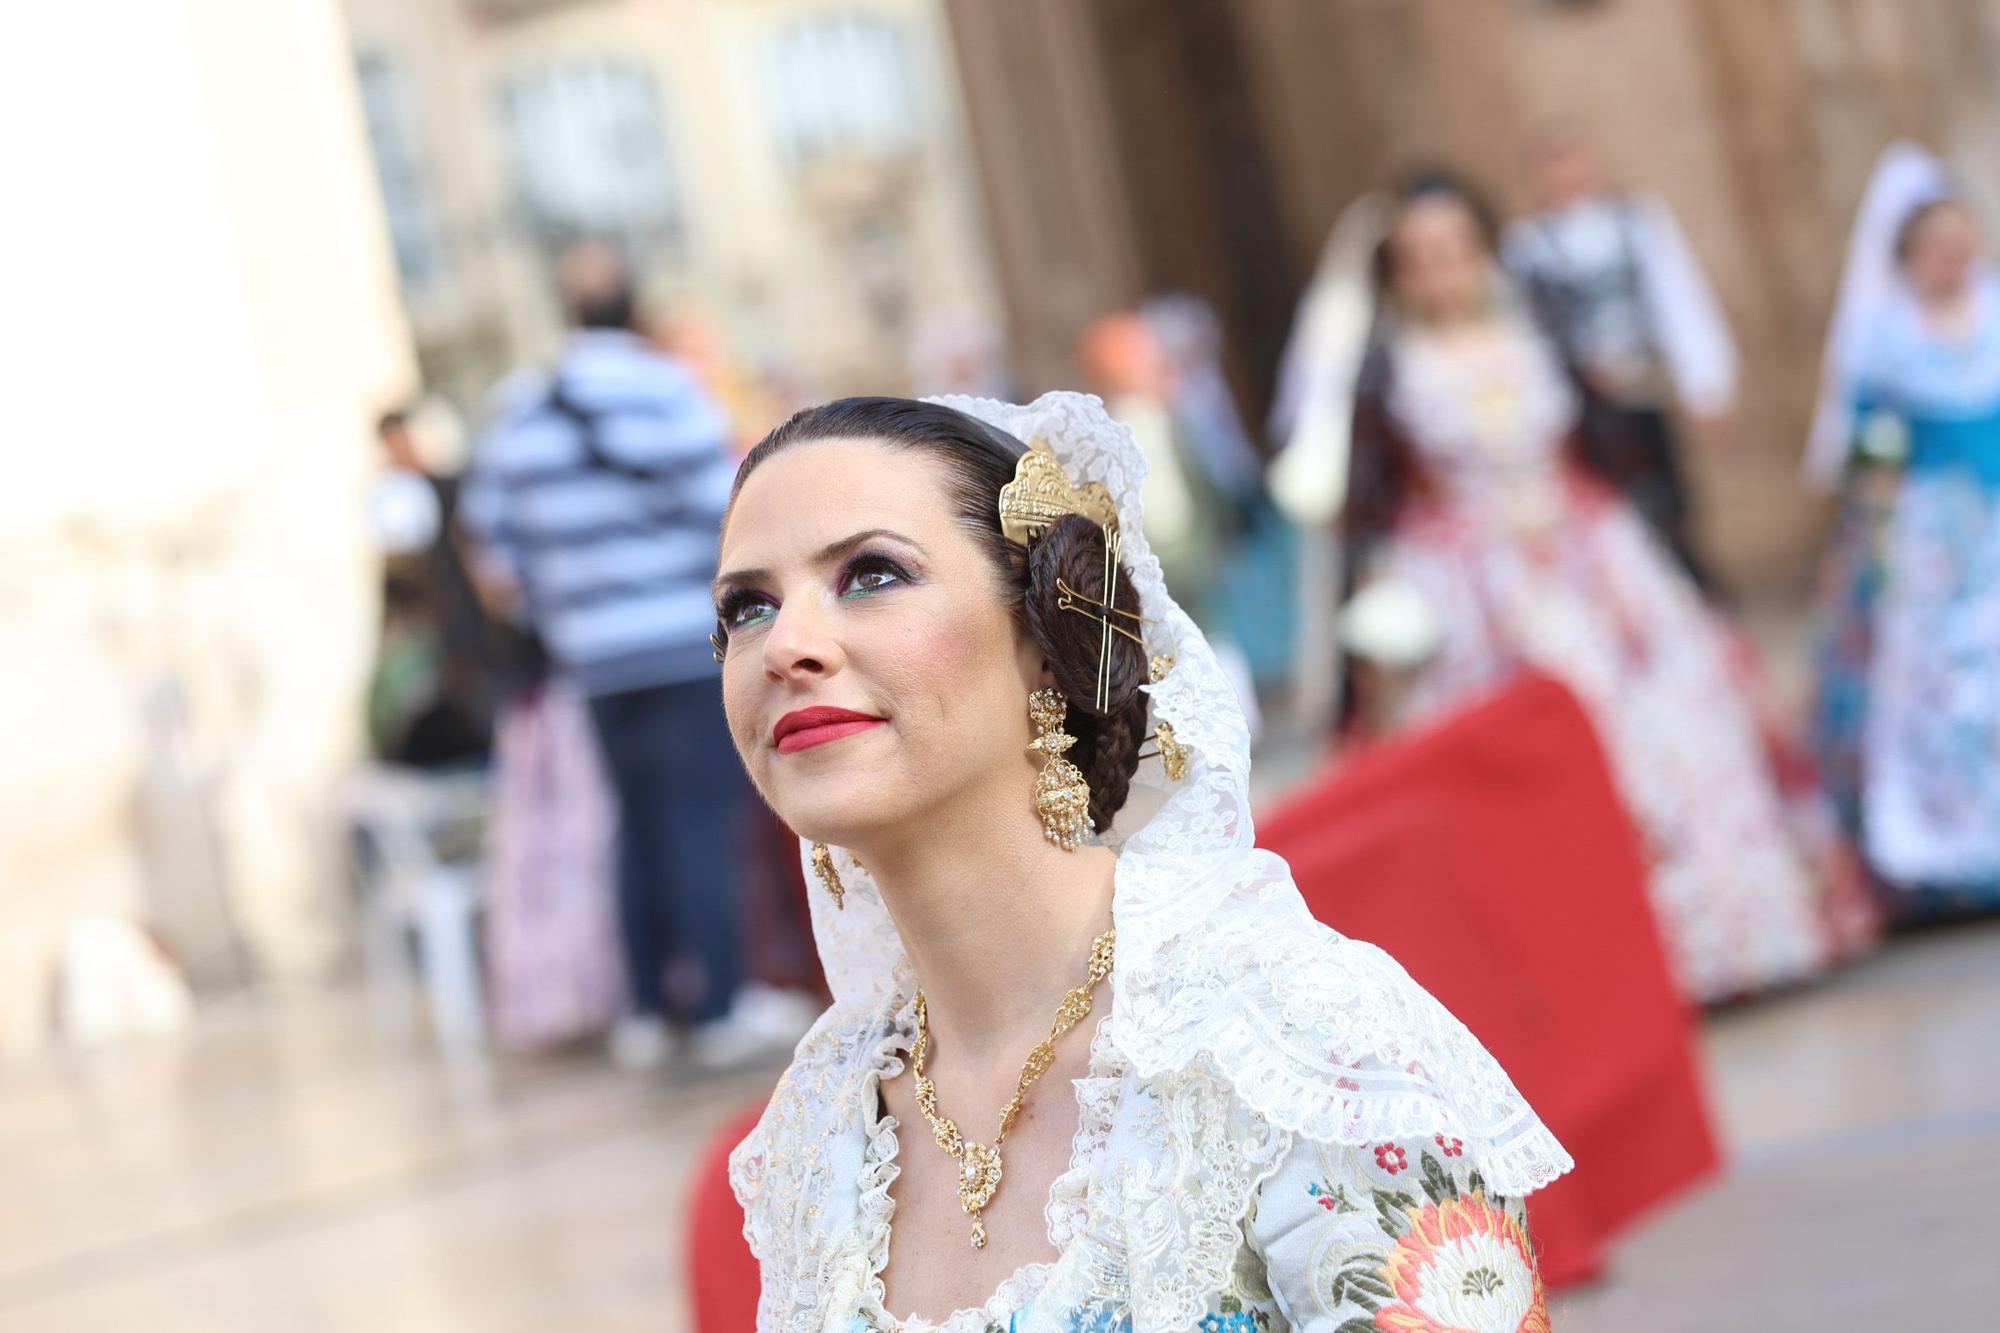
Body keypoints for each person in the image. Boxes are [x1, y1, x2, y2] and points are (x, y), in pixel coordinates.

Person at [720, 393, 1570, 1329]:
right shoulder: (823, 1121)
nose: (787, 646)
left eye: (872, 574)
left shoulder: (1296, 1047)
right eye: (747, 607)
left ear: (1043, 636)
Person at [1339, 172, 1872, 1004]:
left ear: (1485, 252)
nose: (1444, 272)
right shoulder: (1389, 372)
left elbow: (1604, 443)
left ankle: (1721, 942)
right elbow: (1368, 503)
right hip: (1469, 587)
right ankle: (1592, 987)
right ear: (1398, 275)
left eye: (1458, 250)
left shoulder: (1538, 337)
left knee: (1669, 720)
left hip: (1589, 557)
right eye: (1421, 259)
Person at [460, 244, 795, 1071]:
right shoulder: (666, 392)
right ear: (633, 307)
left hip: (592, 657)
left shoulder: (522, 411)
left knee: (631, 826)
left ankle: (647, 1009)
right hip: (680, 646)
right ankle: (717, 1003)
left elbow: (489, 547)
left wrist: (558, 602)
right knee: (699, 822)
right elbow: (732, 514)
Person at [1807, 143, 2000, 918]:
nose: (1951, 259)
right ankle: (1951, 848)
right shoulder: (1888, 339)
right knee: (1937, 682)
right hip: (1933, 534)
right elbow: (1871, 445)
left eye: (1961, 242)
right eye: (1935, 247)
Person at [1503, 122, 1737, 588]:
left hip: (1640, 383)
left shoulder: (1634, 222)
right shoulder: (1529, 246)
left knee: (1667, 492)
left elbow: (1676, 295)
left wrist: (1705, 376)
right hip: (1582, 397)